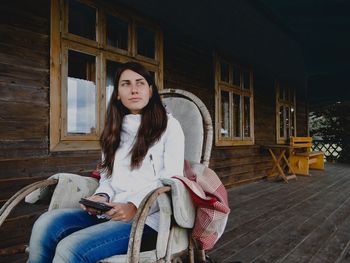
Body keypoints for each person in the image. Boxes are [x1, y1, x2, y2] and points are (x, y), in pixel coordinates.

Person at [28, 62, 185, 263]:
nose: (134, 89)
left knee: (70, 249)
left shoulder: (169, 126)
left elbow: (171, 180)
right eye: (126, 84)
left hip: (148, 220)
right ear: (118, 93)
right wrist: (102, 196)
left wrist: (134, 206)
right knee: (45, 223)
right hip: (111, 212)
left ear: (150, 91)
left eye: (140, 83)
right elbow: (107, 177)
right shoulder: (113, 130)